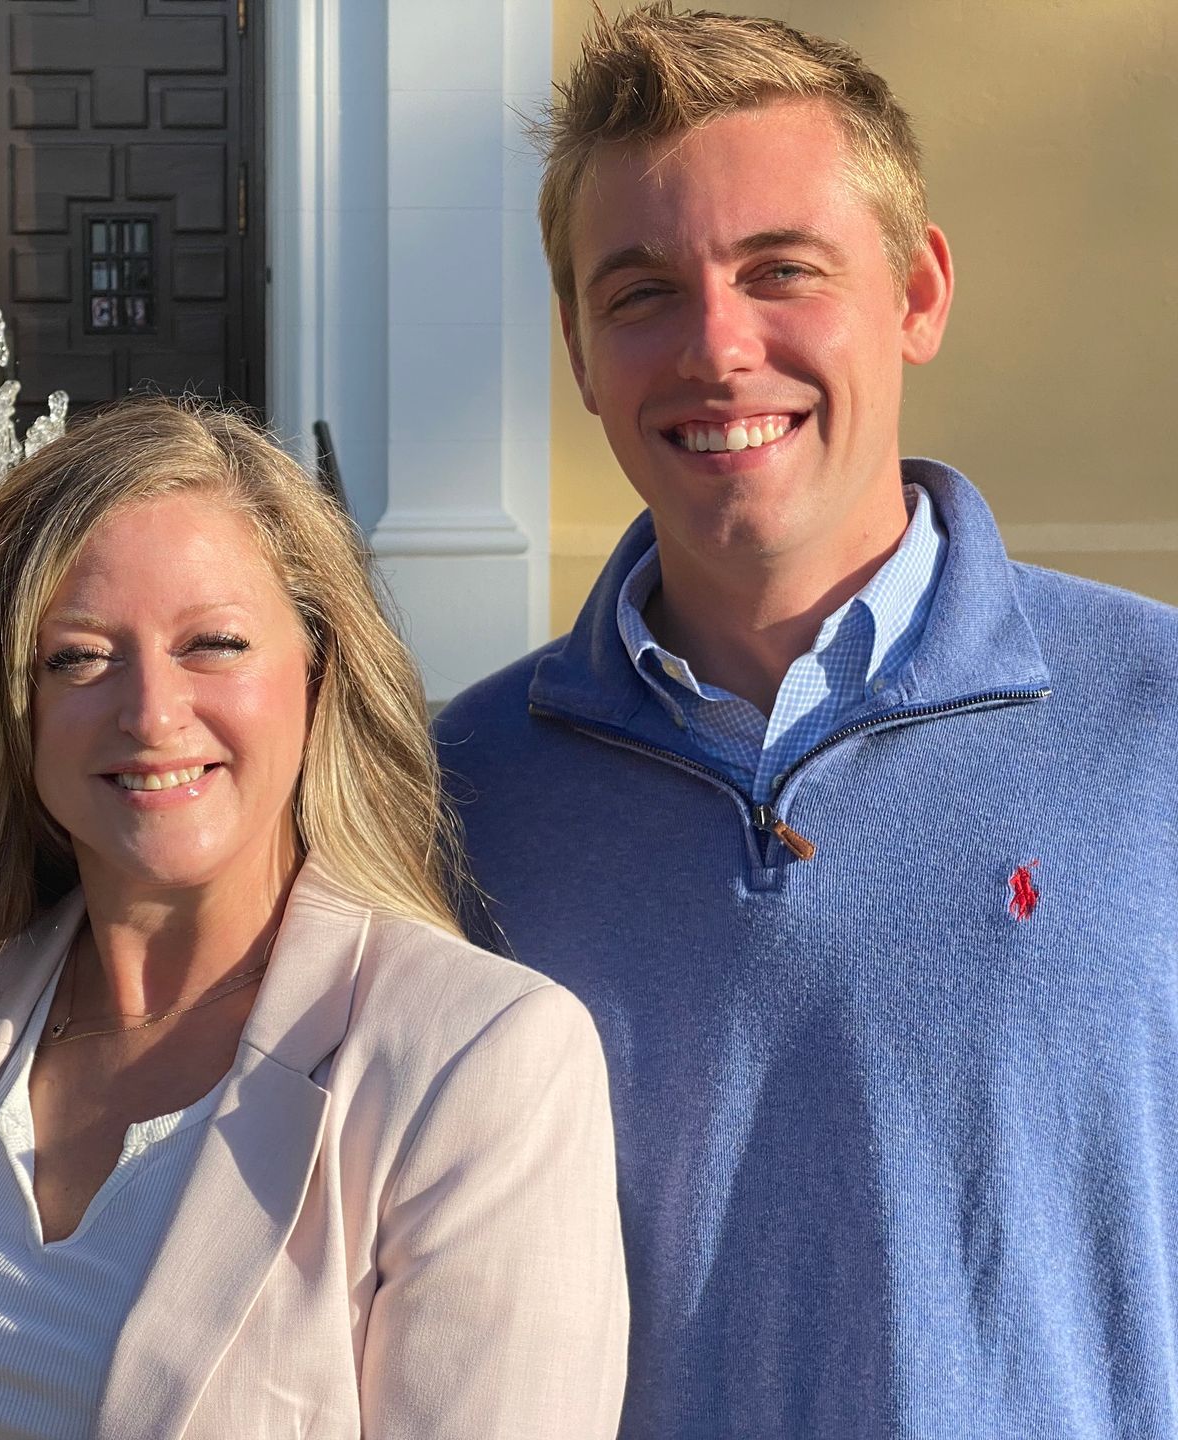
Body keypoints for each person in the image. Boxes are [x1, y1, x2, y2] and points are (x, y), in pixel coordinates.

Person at [437, 5, 1178, 1437]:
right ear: (582, 354)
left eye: (782, 271)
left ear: (917, 292)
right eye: (639, 291)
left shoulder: (1159, 723)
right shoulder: (458, 795)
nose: (717, 348)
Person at [0, 397, 628, 1438]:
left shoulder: (475, 1060)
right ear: (18, 707)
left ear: (316, 674)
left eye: (213, 643)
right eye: (78, 656)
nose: (150, 712)